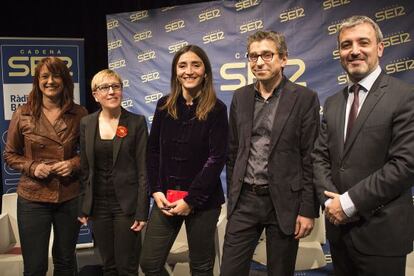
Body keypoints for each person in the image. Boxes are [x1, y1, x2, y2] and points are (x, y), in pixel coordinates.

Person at [312, 15, 414, 276]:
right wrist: (331, 204)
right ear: (339, 53)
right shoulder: (333, 102)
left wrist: (348, 203)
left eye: (363, 42)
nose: (354, 51)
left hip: (382, 235)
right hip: (339, 233)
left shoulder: (405, 97)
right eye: (346, 45)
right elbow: (319, 158)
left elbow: (405, 165)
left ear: (379, 48)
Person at [221, 30, 320, 276]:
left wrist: (307, 209)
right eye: (253, 56)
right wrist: (233, 198)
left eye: (267, 55)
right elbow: (233, 152)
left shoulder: (305, 98)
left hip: (284, 203)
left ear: (283, 59)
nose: (259, 62)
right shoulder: (240, 97)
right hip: (245, 200)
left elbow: (310, 157)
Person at [140, 45, 228, 276]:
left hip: (203, 202)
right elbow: (153, 151)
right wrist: (156, 190)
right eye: (182, 65)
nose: (189, 71)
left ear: (205, 72)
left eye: (195, 65)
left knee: (201, 267)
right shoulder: (163, 105)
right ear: (175, 73)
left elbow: (216, 158)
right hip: (166, 199)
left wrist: (191, 200)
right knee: (149, 263)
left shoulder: (217, 110)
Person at [3, 56, 87, 276]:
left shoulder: (79, 113)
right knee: (35, 266)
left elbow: (89, 155)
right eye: (45, 76)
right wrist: (33, 167)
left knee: (66, 262)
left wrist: (72, 163)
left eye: (56, 75)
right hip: (33, 198)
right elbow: (10, 155)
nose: (51, 81)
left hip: (69, 195)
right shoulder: (23, 113)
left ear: (65, 80)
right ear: (37, 81)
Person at [78, 69, 149, 275]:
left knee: (127, 267)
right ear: (95, 95)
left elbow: (144, 169)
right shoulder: (87, 123)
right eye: (104, 88)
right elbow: (84, 168)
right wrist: (84, 205)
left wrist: (142, 210)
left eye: (115, 87)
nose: (111, 92)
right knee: (108, 266)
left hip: (126, 206)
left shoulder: (136, 122)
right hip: (98, 205)